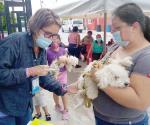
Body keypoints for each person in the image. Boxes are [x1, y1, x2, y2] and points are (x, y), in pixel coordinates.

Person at [68, 3, 150, 125]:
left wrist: (99, 80)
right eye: (111, 27)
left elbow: (140, 101)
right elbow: (98, 67)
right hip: (101, 116)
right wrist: (79, 83)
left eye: (117, 28)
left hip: (124, 122)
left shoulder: (146, 56)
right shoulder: (117, 46)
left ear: (135, 27)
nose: (112, 31)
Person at [0, 8, 67, 125]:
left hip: (25, 106)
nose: (51, 39)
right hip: (5, 108)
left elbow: (43, 77)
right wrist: (29, 71)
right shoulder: (14, 42)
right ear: (35, 27)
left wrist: (63, 88)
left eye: (54, 35)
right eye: (48, 34)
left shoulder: (41, 50)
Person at [47, 34, 69, 120]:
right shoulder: (46, 51)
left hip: (63, 74)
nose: (54, 41)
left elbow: (67, 63)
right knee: (55, 91)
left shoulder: (63, 50)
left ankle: (66, 110)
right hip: (53, 75)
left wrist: (67, 63)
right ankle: (57, 104)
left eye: (56, 39)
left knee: (64, 91)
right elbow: (45, 64)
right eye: (52, 39)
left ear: (59, 41)